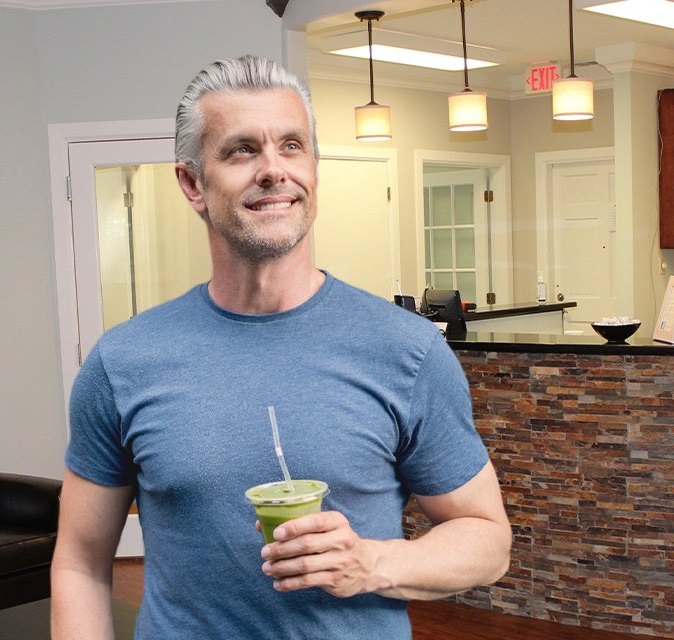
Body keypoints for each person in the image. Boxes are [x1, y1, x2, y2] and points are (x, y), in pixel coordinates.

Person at [50, 55, 511, 639]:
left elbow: (487, 540)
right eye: (242, 150)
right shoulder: (124, 362)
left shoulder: (407, 350)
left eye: (292, 145)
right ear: (193, 183)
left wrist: (373, 563)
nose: (274, 170)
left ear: (314, 168)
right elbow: (80, 564)